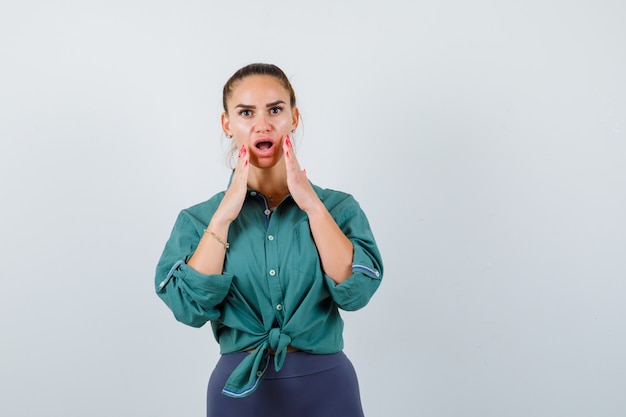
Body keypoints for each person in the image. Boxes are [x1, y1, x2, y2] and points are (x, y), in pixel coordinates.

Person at [155, 63, 383, 417]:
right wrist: (225, 215)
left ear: (293, 117)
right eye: (246, 113)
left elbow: (356, 292)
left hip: (328, 386)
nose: (262, 124)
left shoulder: (338, 208)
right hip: (239, 391)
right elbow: (188, 308)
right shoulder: (198, 219)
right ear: (227, 124)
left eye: (275, 110)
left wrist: (311, 205)